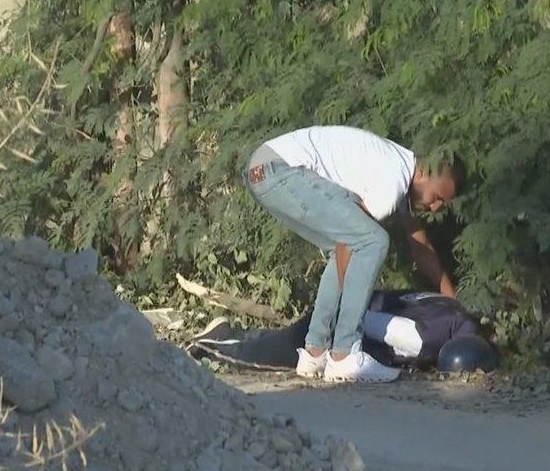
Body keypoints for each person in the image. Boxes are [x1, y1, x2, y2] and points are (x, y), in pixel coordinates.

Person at [243, 126, 463, 382]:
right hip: (281, 170)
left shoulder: (398, 169)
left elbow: (422, 250)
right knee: (373, 241)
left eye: (442, 205)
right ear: (424, 171)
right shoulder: (393, 180)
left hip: (263, 171)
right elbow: (354, 246)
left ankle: (315, 353)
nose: (436, 208)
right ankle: (344, 354)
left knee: (352, 242)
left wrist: (457, 308)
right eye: (437, 197)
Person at [186, 290, 486, 371]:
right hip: (333, 327)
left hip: (351, 301)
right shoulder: (420, 340)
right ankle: (214, 344)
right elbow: (359, 321)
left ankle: (231, 330)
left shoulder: (452, 310)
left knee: (276, 340)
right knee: (257, 357)